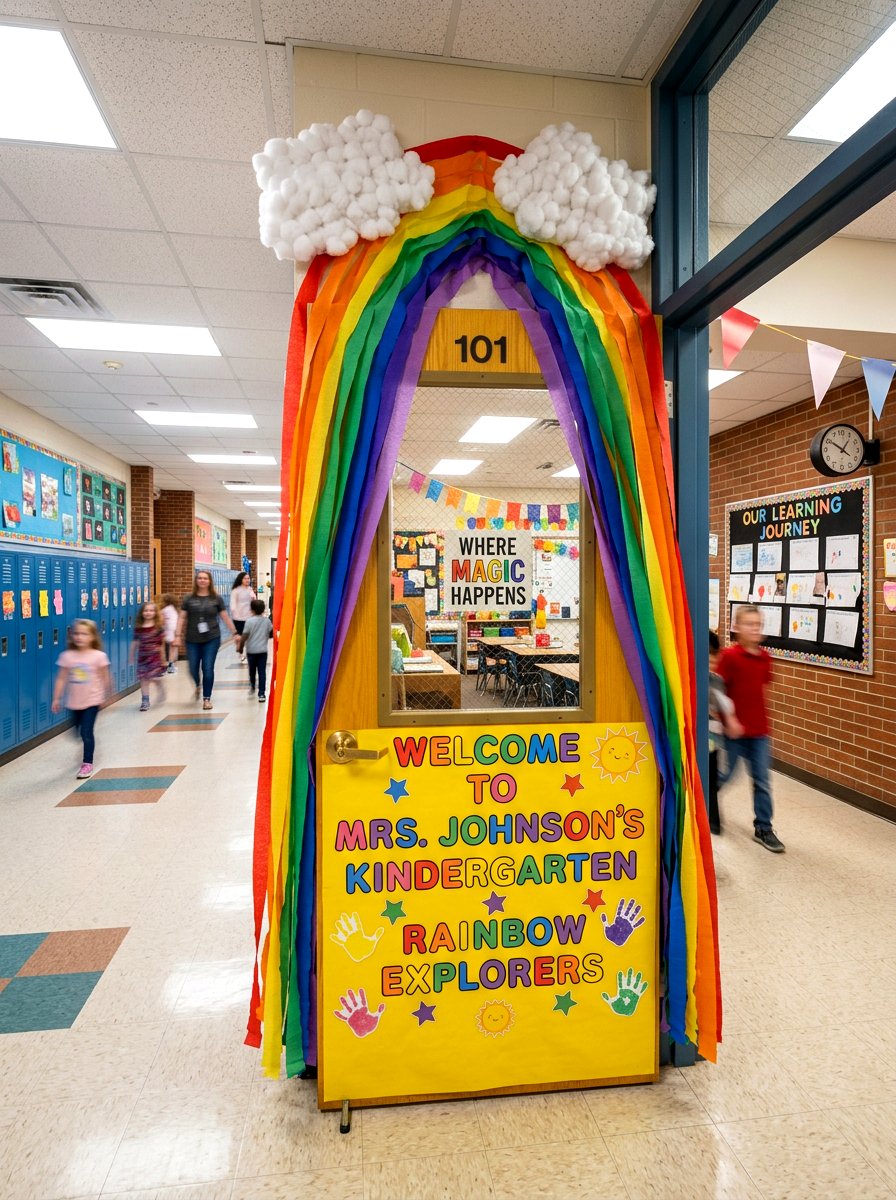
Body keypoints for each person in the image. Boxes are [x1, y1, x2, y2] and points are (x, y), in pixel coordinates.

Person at [718, 605, 785, 853]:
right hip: (733, 733)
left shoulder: (765, 658)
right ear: (737, 627)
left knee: (762, 781)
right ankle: (702, 808)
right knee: (725, 776)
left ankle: (764, 828)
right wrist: (730, 719)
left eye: (758, 624)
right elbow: (718, 691)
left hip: (759, 733)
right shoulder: (729, 657)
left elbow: (763, 689)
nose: (755, 629)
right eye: (749, 624)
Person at [51, 618, 112, 779]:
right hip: (74, 702)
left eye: (84, 634)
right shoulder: (67, 656)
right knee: (76, 732)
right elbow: (61, 678)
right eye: (76, 633)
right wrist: (56, 698)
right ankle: (85, 742)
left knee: (86, 731)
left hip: (92, 700)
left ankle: (87, 763)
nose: (79, 637)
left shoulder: (98, 656)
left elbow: (105, 677)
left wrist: (108, 695)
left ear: (92, 637)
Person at [175, 570, 237, 710]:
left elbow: (225, 616)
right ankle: (198, 685)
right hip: (192, 638)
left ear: (209, 581)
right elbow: (182, 617)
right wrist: (177, 636)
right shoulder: (189, 598)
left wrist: (234, 632)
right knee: (193, 668)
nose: (202, 580)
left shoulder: (216, 598)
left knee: (208, 668)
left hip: (212, 638)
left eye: (205, 578)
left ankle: (206, 698)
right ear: (196, 581)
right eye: (200, 578)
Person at [708, 630, 741, 835]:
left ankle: (714, 822)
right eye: (708, 656)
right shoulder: (690, 678)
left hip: (713, 740)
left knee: (712, 778)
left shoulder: (717, 680)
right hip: (697, 740)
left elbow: (723, 704)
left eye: (715, 656)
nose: (712, 661)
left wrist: (728, 718)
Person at [131, 600, 166, 712]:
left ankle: (160, 687)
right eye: (146, 610)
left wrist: (163, 659)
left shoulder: (158, 628)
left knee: (154, 677)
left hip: (155, 657)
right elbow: (135, 642)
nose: (148, 613)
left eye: (151, 610)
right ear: (142, 613)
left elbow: (161, 645)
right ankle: (145, 701)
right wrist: (131, 655)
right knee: (144, 679)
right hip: (142, 657)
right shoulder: (139, 628)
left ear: (155, 613)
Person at [238, 597, 273, 702]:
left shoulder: (249, 621)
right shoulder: (267, 621)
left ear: (252, 610)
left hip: (251, 651)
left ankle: (253, 685)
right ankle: (261, 694)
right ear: (263, 610)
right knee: (262, 672)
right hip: (262, 651)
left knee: (252, 670)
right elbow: (271, 634)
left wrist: (240, 647)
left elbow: (244, 636)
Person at [229, 571, 256, 662]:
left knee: (249, 637)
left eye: (248, 578)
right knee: (240, 637)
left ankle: (248, 653)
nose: (247, 580)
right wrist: (234, 612)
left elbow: (254, 601)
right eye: (245, 578)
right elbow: (232, 604)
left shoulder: (250, 589)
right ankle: (241, 653)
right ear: (241, 579)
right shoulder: (236, 590)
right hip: (238, 618)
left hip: (250, 617)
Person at [159, 593, 179, 673]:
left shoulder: (164, 610)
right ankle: (171, 665)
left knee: (162, 647)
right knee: (173, 648)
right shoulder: (173, 609)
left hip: (167, 630)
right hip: (174, 630)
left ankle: (165, 665)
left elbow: (161, 620)